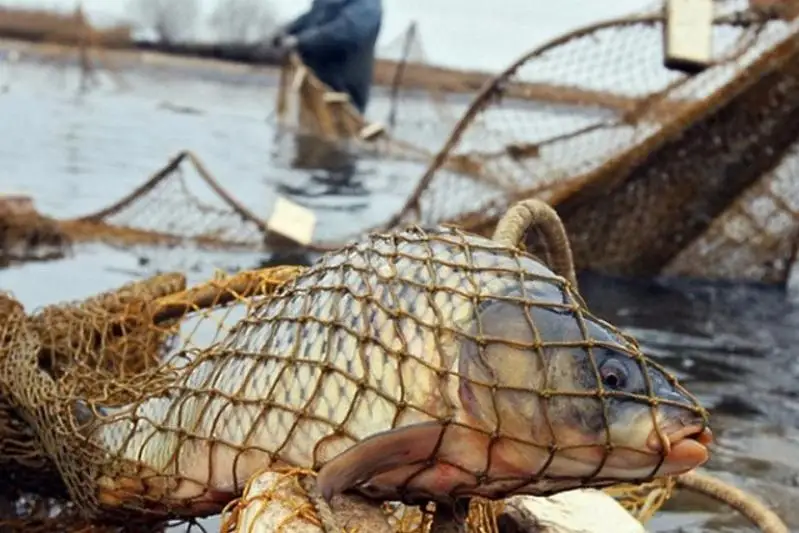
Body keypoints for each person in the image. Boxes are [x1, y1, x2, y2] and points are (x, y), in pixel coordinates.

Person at [270, 0, 383, 115]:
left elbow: (347, 31)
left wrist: (299, 41)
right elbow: (313, 17)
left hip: (343, 93)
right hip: (314, 87)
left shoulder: (367, 4)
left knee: (340, 121)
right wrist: (287, 30)